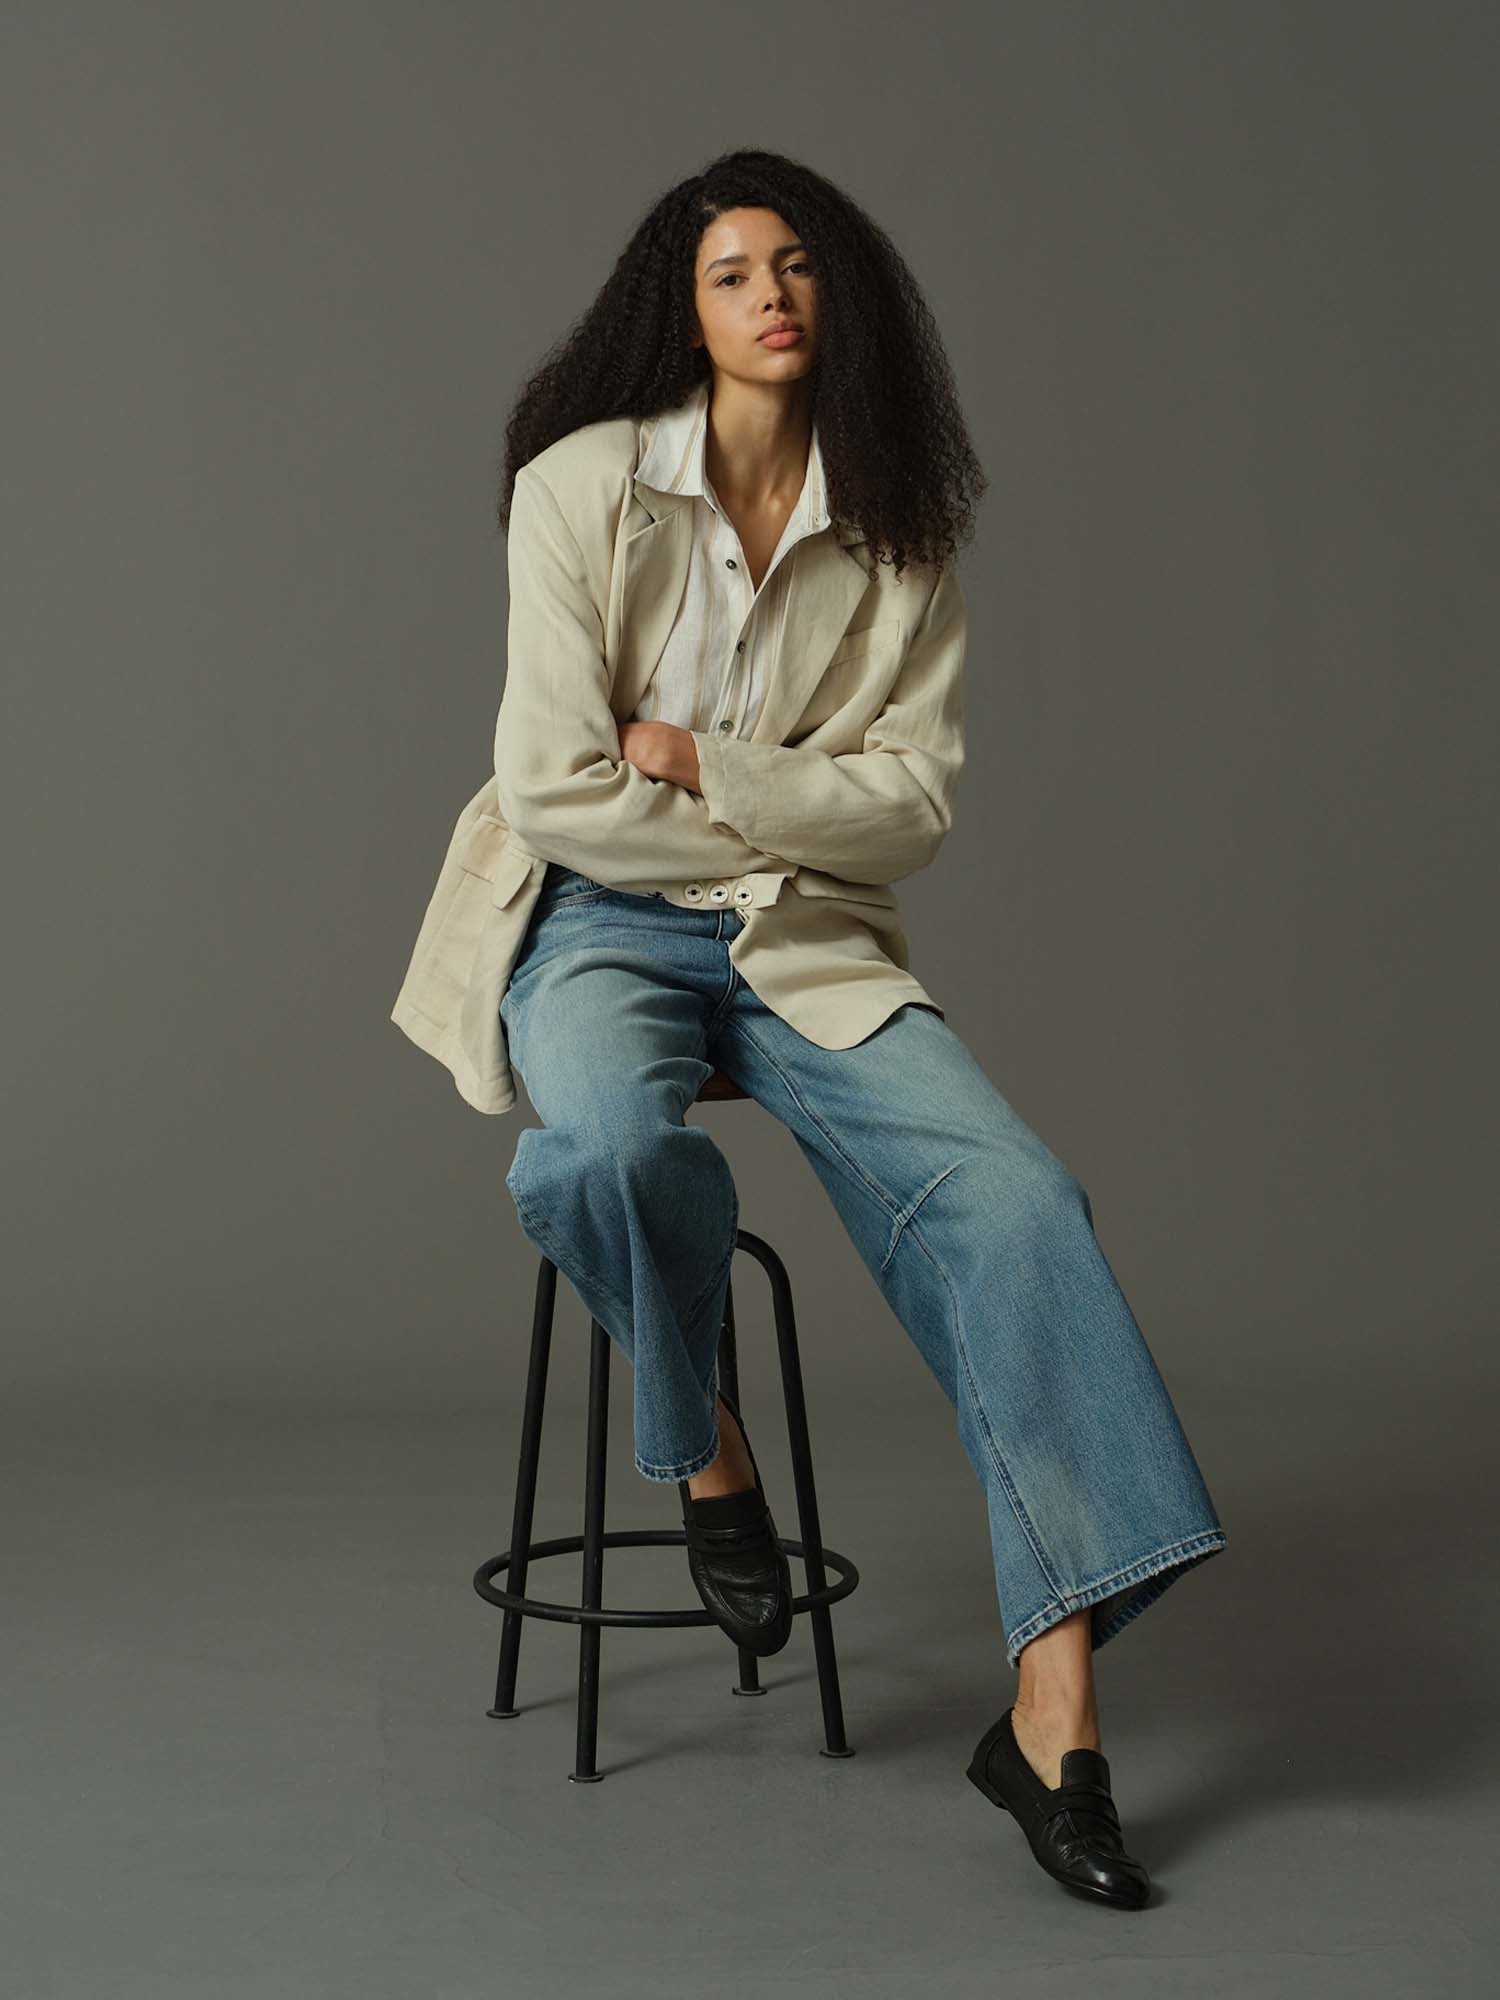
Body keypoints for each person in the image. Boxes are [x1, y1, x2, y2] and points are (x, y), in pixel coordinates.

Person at [393, 147, 1228, 1910]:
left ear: (838, 293)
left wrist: (706, 764)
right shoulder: (581, 487)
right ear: (680, 309)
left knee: (1021, 1204)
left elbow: (913, 811)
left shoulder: (900, 526)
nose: (770, 294)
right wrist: (784, 802)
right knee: (603, 1153)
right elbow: (551, 790)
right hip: (596, 922)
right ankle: (707, 1444)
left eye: (795, 265)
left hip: (809, 939)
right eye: (730, 273)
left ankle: (1054, 1717)